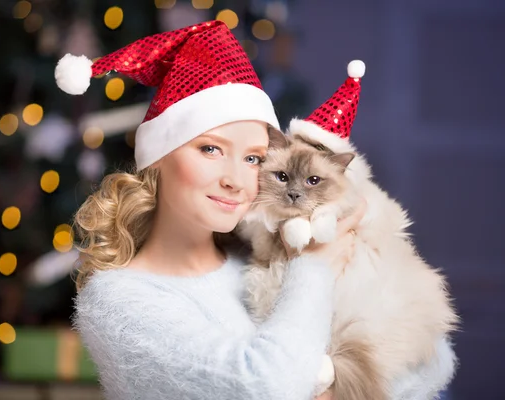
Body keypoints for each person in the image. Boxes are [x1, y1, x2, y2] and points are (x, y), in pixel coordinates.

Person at [55, 21, 456, 400]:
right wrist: (316, 265)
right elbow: (264, 385)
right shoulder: (120, 298)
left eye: (252, 159)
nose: (235, 179)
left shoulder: (254, 257)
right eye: (210, 149)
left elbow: (435, 361)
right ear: (158, 157)